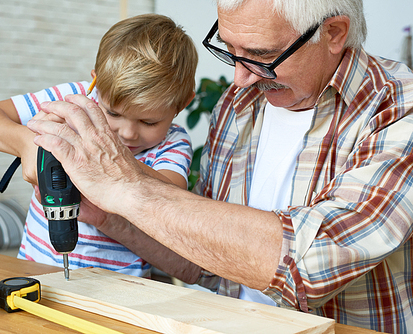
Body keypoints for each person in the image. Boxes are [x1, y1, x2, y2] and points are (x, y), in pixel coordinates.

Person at [24, 0, 413, 332]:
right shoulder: (237, 106)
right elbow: (206, 264)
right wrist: (108, 217)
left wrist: (128, 185)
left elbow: (312, 265)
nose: (239, 78)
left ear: (333, 33)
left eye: (260, 56)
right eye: (229, 49)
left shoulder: (397, 107)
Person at [0, 14, 198, 278]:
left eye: (149, 121)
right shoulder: (75, 101)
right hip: (34, 269)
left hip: (120, 289)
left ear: (182, 103)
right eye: (114, 114)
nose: (128, 133)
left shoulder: (172, 142)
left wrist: (108, 163)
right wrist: (27, 143)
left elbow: (173, 194)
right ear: (96, 83)